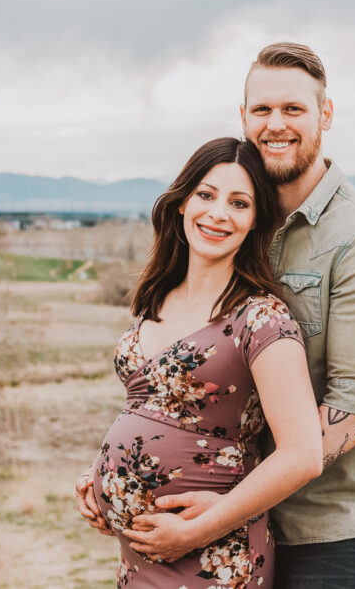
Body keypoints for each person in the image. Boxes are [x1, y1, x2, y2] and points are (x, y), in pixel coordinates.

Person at [139, 43, 355, 588]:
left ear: (326, 115)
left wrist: (222, 507)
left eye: (294, 109)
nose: (276, 124)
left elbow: (354, 411)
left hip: (335, 536)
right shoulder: (242, 223)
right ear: (243, 118)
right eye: (262, 110)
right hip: (242, 529)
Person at [74, 137, 323, 588]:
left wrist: (196, 531)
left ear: (255, 222)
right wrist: (98, 479)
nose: (218, 213)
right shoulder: (157, 298)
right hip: (140, 559)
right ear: (182, 203)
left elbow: (303, 456)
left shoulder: (262, 318)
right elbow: (150, 411)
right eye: (205, 195)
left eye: (239, 202)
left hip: (215, 555)